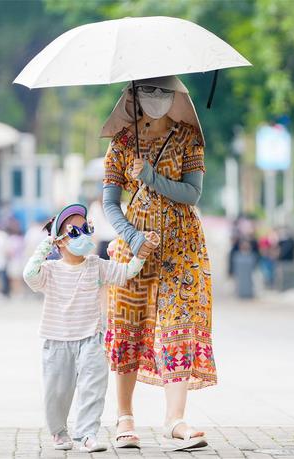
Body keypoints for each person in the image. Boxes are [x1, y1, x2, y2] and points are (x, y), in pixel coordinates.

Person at [101, 75, 214, 451]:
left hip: (182, 248)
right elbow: (108, 202)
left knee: (178, 322)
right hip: (134, 249)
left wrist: (149, 176)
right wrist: (132, 237)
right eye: (148, 91)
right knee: (128, 325)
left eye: (164, 92)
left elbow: (192, 193)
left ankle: (175, 419)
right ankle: (125, 416)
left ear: (177, 96)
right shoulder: (122, 143)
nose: (156, 99)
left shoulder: (188, 138)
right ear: (132, 94)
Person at [23, 204, 158, 453]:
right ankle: (58, 431)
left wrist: (142, 253)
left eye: (87, 228)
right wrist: (46, 245)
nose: (84, 234)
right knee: (57, 391)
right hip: (56, 340)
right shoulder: (50, 270)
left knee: (94, 387)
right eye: (75, 231)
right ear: (61, 241)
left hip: (91, 339)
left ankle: (86, 434)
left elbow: (126, 272)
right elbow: (29, 274)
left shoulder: (96, 264)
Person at [5, 219, 26, 297]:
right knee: (14, 278)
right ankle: (16, 292)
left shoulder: (17, 239)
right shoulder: (14, 238)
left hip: (17, 260)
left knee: (17, 278)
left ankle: (18, 292)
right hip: (16, 260)